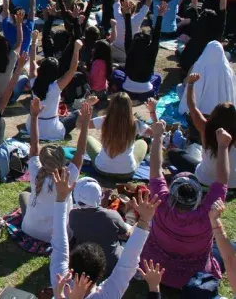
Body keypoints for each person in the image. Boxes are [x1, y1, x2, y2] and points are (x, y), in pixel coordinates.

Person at [140, 121, 230, 289]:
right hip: (192, 279)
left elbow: (154, 170)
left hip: (155, 272)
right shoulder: (207, 215)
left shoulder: (160, 202)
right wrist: (223, 147)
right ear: (198, 198)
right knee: (229, 246)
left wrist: (158, 136)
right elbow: (222, 181)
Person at [50, 164, 158, 298]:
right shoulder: (107, 295)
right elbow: (127, 264)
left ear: (70, 263)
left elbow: (59, 243)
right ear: (101, 273)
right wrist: (144, 220)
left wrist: (61, 197)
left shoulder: (59, 280)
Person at [20, 96, 89, 243]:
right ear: (63, 161)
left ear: (42, 160)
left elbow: (34, 145)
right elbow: (81, 152)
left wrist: (34, 116)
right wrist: (85, 124)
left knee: (24, 195)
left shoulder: (35, 170)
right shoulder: (69, 175)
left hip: (28, 230)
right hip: (58, 237)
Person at [178, 73, 236, 185]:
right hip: (232, 182)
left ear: (213, 114)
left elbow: (191, 106)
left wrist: (190, 84)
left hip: (206, 180)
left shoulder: (205, 128)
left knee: (175, 154)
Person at [67, 177, 132, 275]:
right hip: (111, 264)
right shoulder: (112, 215)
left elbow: (93, 219)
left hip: (86, 263)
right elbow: (126, 234)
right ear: (99, 196)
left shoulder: (72, 215)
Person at [84, 92, 152, 180]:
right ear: (129, 107)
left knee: (86, 138)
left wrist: (88, 105)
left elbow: (80, 124)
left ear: (111, 106)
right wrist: (152, 112)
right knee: (142, 142)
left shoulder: (104, 120)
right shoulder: (136, 124)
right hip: (127, 172)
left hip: (101, 169)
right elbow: (157, 132)